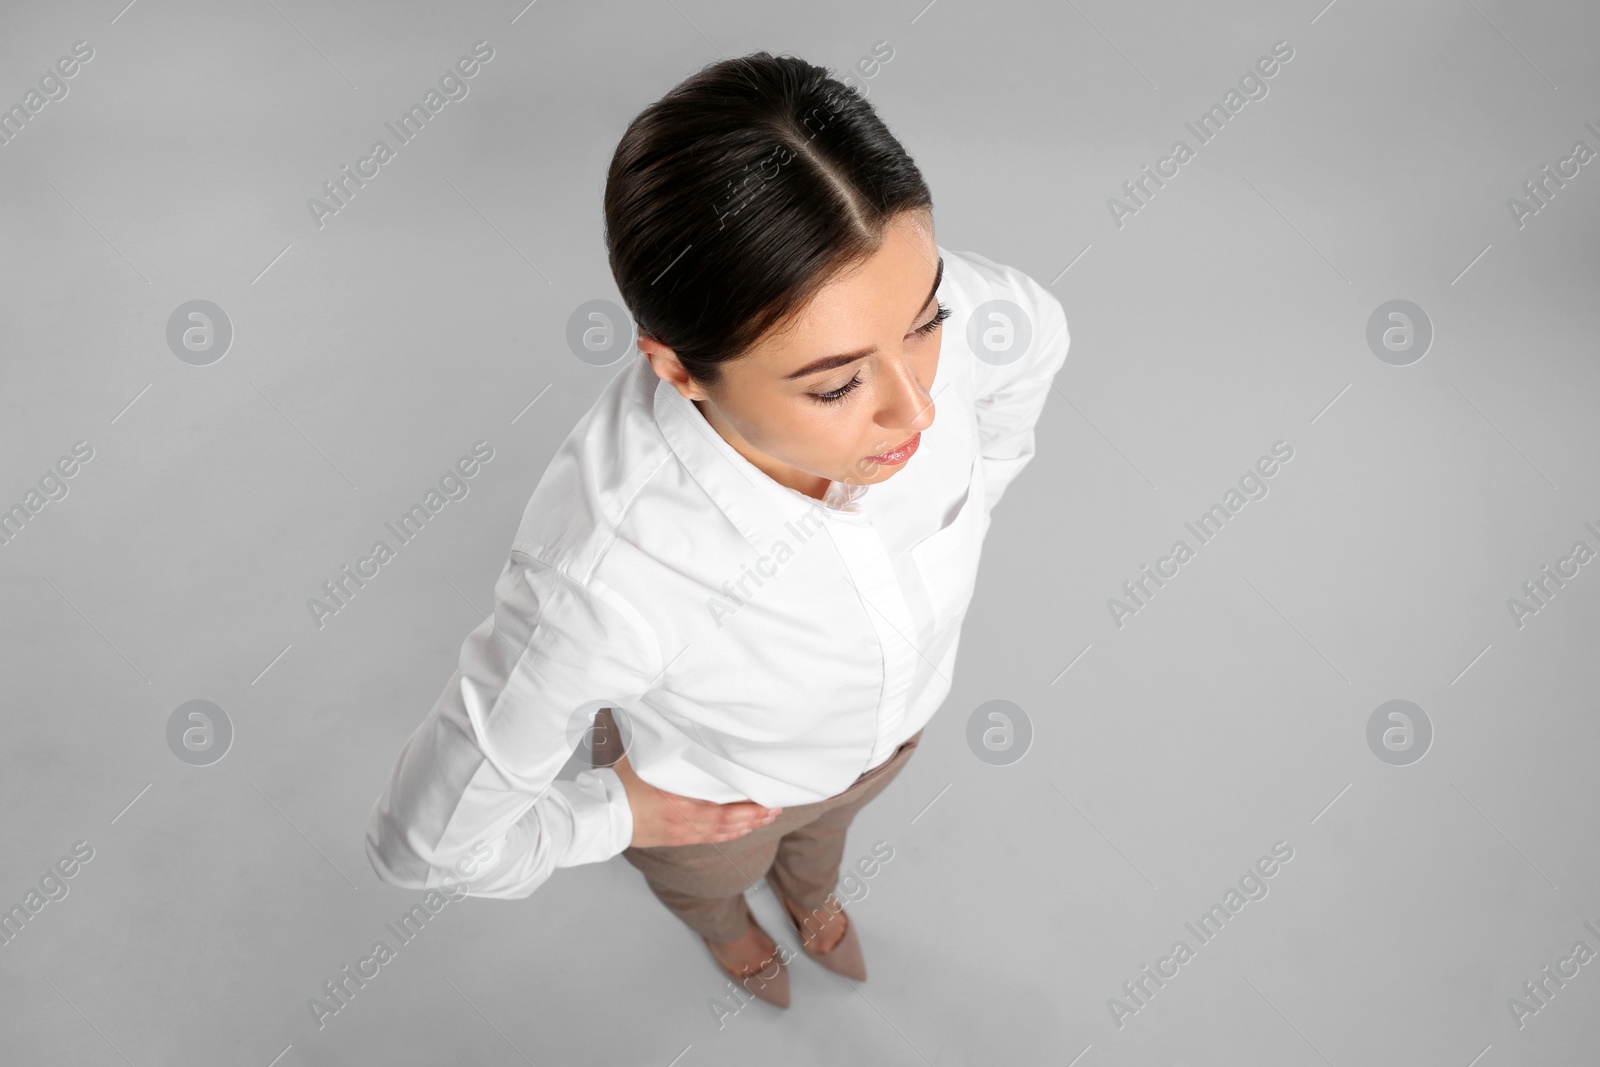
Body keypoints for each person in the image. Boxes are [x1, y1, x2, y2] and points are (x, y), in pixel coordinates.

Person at [364, 51, 1069, 1011]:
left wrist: (982, 487)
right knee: (712, 883)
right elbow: (424, 845)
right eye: (835, 384)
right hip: (715, 801)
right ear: (680, 370)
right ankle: (727, 929)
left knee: (823, 845)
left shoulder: (944, 313)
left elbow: (1034, 335)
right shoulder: (602, 577)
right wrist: (610, 809)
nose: (918, 412)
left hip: (887, 750)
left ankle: (812, 895)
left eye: (925, 319)